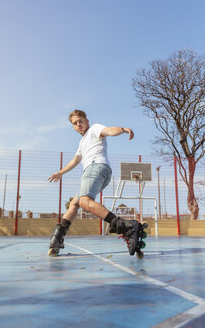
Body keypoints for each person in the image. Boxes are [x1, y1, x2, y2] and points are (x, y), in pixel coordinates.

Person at [48, 109, 145, 256]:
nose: (78, 124)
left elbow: (108, 131)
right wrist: (61, 172)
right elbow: (75, 160)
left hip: (96, 167)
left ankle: (127, 226)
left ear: (87, 120)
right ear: (73, 127)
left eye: (80, 121)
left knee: (85, 201)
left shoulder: (94, 128)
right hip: (96, 171)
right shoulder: (82, 142)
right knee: (75, 204)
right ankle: (57, 238)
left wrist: (123, 130)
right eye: (75, 123)